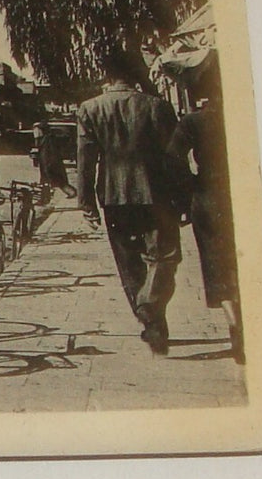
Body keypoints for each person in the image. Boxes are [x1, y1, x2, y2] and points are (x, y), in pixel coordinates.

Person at [77, 49, 186, 355]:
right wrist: (184, 195)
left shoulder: (90, 109)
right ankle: (151, 309)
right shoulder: (157, 106)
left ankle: (149, 318)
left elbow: (85, 160)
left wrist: (86, 201)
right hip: (157, 194)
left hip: (113, 195)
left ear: (107, 75)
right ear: (134, 74)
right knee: (164, 256)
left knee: (128, 261)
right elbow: (174, 156)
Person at [167, 60, 242, 363]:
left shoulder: (194, 121)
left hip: (210, 197)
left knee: (217, 265)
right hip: (247, 192)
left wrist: (188, 193)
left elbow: (172, 158)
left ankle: (236, 326)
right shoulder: (248, 113)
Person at [33, 122, 76, 200]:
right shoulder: (45, 139)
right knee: (53, 182)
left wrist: (48, 166)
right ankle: (45, 198)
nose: (35, 134)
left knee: (57, 182)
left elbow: (50, 155)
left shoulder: (47, 140)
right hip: (48, 165)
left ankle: (71, 192)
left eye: (36, 131)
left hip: (51, 165)